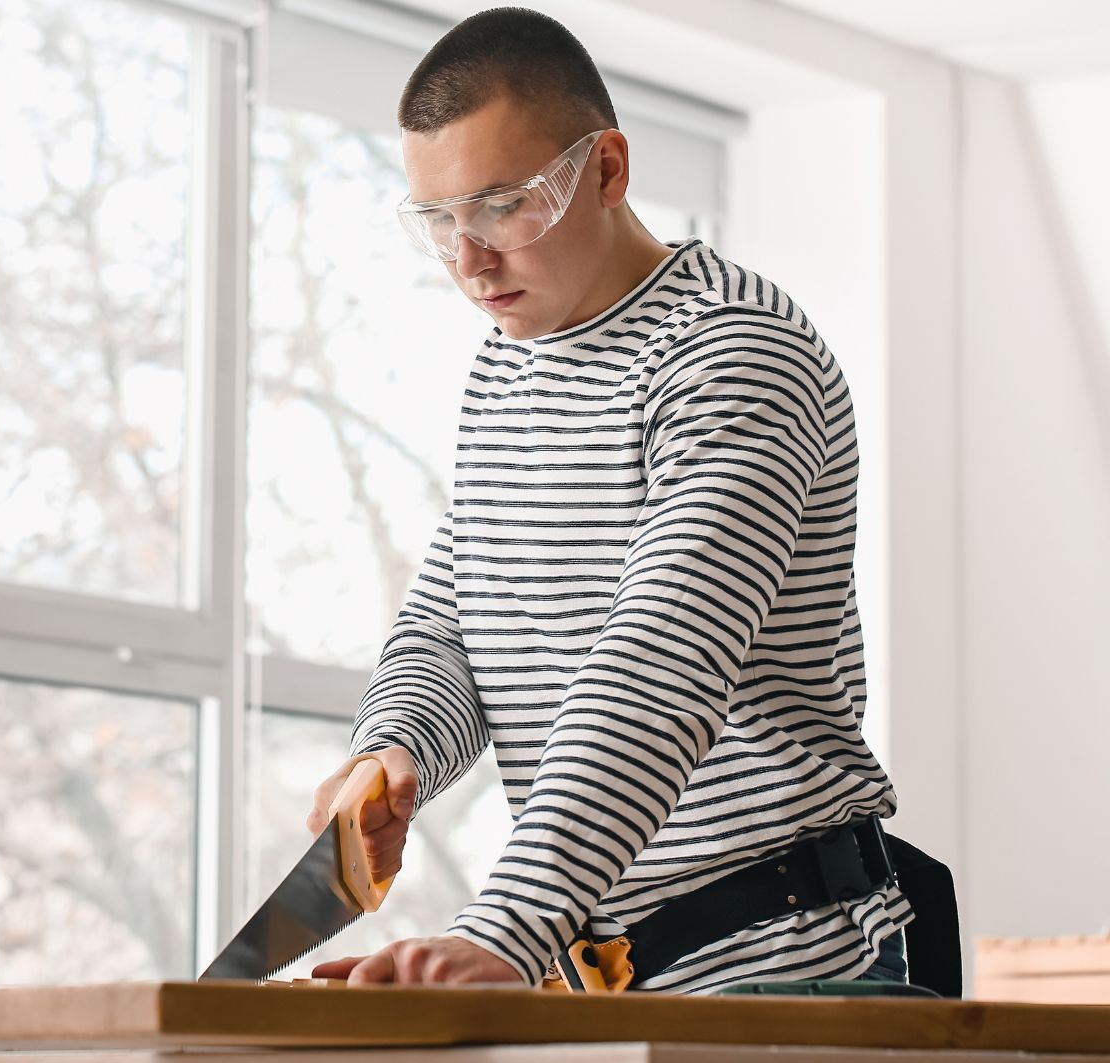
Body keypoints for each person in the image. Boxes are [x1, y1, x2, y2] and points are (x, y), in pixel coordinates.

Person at [303, 6, 931, 994]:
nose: (470, 261)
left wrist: (505, 930)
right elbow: (461, 611)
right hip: (612, 971)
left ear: (606, 170)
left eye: (505, 206)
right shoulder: (506, 371)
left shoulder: (731, 352)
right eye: (440, 221)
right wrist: (396, 745)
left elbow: (661, 662)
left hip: (788, 964)